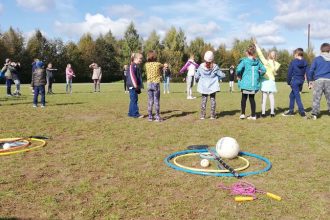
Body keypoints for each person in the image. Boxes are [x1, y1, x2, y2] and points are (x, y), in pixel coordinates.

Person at [236, 44, 266, 120]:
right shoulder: (258, 61)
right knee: (252, 99)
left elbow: (238, 69)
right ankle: (253, 115)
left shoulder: (244, 61)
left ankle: (243, 114)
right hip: (253, 84)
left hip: (245, 83)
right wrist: (260, 72)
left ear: (247, 52)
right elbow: (264, 70)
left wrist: (238, 75)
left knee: (244, 98)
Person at [254, 40, 281, 117]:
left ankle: (272, 112)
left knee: (271, 96)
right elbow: (260, 55)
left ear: (275, 56)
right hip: (265, 80)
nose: (272, 55)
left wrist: (271, 63)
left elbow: (274, 71)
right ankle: (263, 113)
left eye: (274, 54)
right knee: (264, 97)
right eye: (271, 54)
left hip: (271, 81)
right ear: (269, 54)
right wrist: (256, 46)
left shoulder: (276, 64)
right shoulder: (265, 61)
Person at [195, 51, 225, 120]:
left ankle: (202, 116)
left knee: (203, 100)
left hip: (203, 87)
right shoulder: (215, 67)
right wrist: (218, 77)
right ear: (212, 58)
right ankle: (212, 115)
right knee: (213, 100)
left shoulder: (201, 66)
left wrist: (200, 78)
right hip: (213, 86)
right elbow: (222, 75)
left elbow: (196, 76)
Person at [282, 48, 308, 117]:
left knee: (297, 96)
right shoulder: (305, 62)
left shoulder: (293, 62)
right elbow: (307, 72)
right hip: (301, 81)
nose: (293, 56)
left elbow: (289, 73)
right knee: (291, 96)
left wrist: (288, 82)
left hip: (294, 81)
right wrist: (309, 82)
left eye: (294, 54)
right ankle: (291, 110)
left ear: (296, 54)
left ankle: (301, 111)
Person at [307, 43, 330, 120]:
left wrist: (310, 80)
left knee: (316, 98)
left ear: (321, 49)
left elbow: (311, 70)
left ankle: (314, 114)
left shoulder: (317, 59)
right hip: (329, 80)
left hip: (318, 80)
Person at [145, 50, 163, 122]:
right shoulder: (158, 64)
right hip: (156, 83)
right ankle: (157, 117)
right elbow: (163, 66)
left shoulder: (146, 64)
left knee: (150, 101)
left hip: (149, 84)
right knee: (156, 100)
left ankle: (150, 117)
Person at [126, 52, 144, 118]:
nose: (141, 60)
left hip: (134, 86)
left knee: (133, 100)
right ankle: (135, 114)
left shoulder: (136, 66)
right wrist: (135, 84)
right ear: (135, 58)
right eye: (140, 59)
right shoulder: (132, 65)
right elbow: (132, 75)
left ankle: (130, 113)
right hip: (132, 86)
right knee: (134, 100)